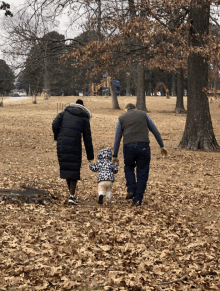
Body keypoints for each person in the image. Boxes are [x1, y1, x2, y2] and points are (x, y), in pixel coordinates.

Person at [112, 103, 167, 207]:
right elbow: (155, 130)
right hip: (144, 146)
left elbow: (117, 137)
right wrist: (161, 145)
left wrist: (115, 154)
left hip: (128, 146)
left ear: (126, 109)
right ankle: (137, 199)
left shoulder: (121, 118)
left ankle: (131, 188)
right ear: (135, 108)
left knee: (128, 167)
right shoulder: (144, 115)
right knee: (142, 172)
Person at [52, 99, 94, 205]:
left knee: (66, 168)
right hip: (75, 144)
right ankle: (72, 195)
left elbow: (54, 124)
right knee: (74, 170)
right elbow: (87, 138)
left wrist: (57, 137)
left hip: (62, 144)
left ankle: (71, 194)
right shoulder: (84, 118)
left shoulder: (63, 113)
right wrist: (90, 156)